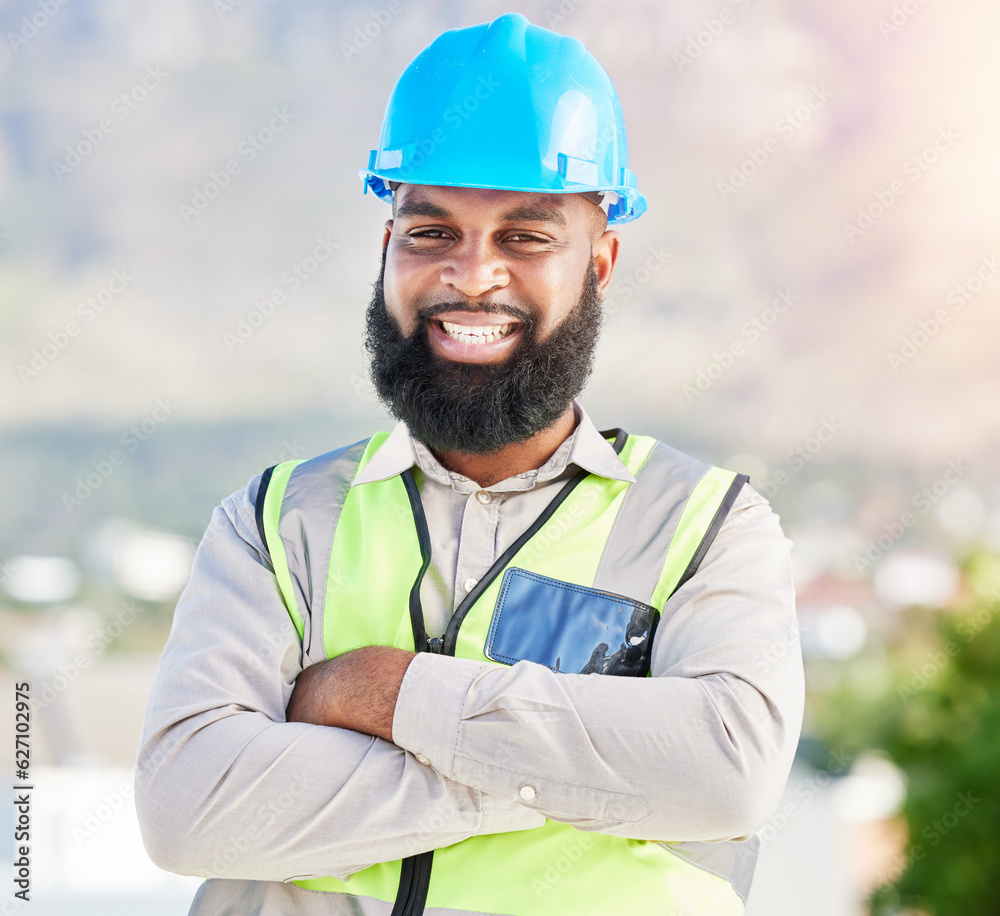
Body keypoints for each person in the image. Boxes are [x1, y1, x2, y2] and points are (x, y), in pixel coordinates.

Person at [136, 12, 804, 915]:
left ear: (599, 263)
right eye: (431, 231)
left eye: (525, 237)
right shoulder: (277, 522)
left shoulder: (709, 528)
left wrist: (385, 690)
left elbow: (726, 777)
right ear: (388, 251)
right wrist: (585, 778)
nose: (473, 276)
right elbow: (188, 809)